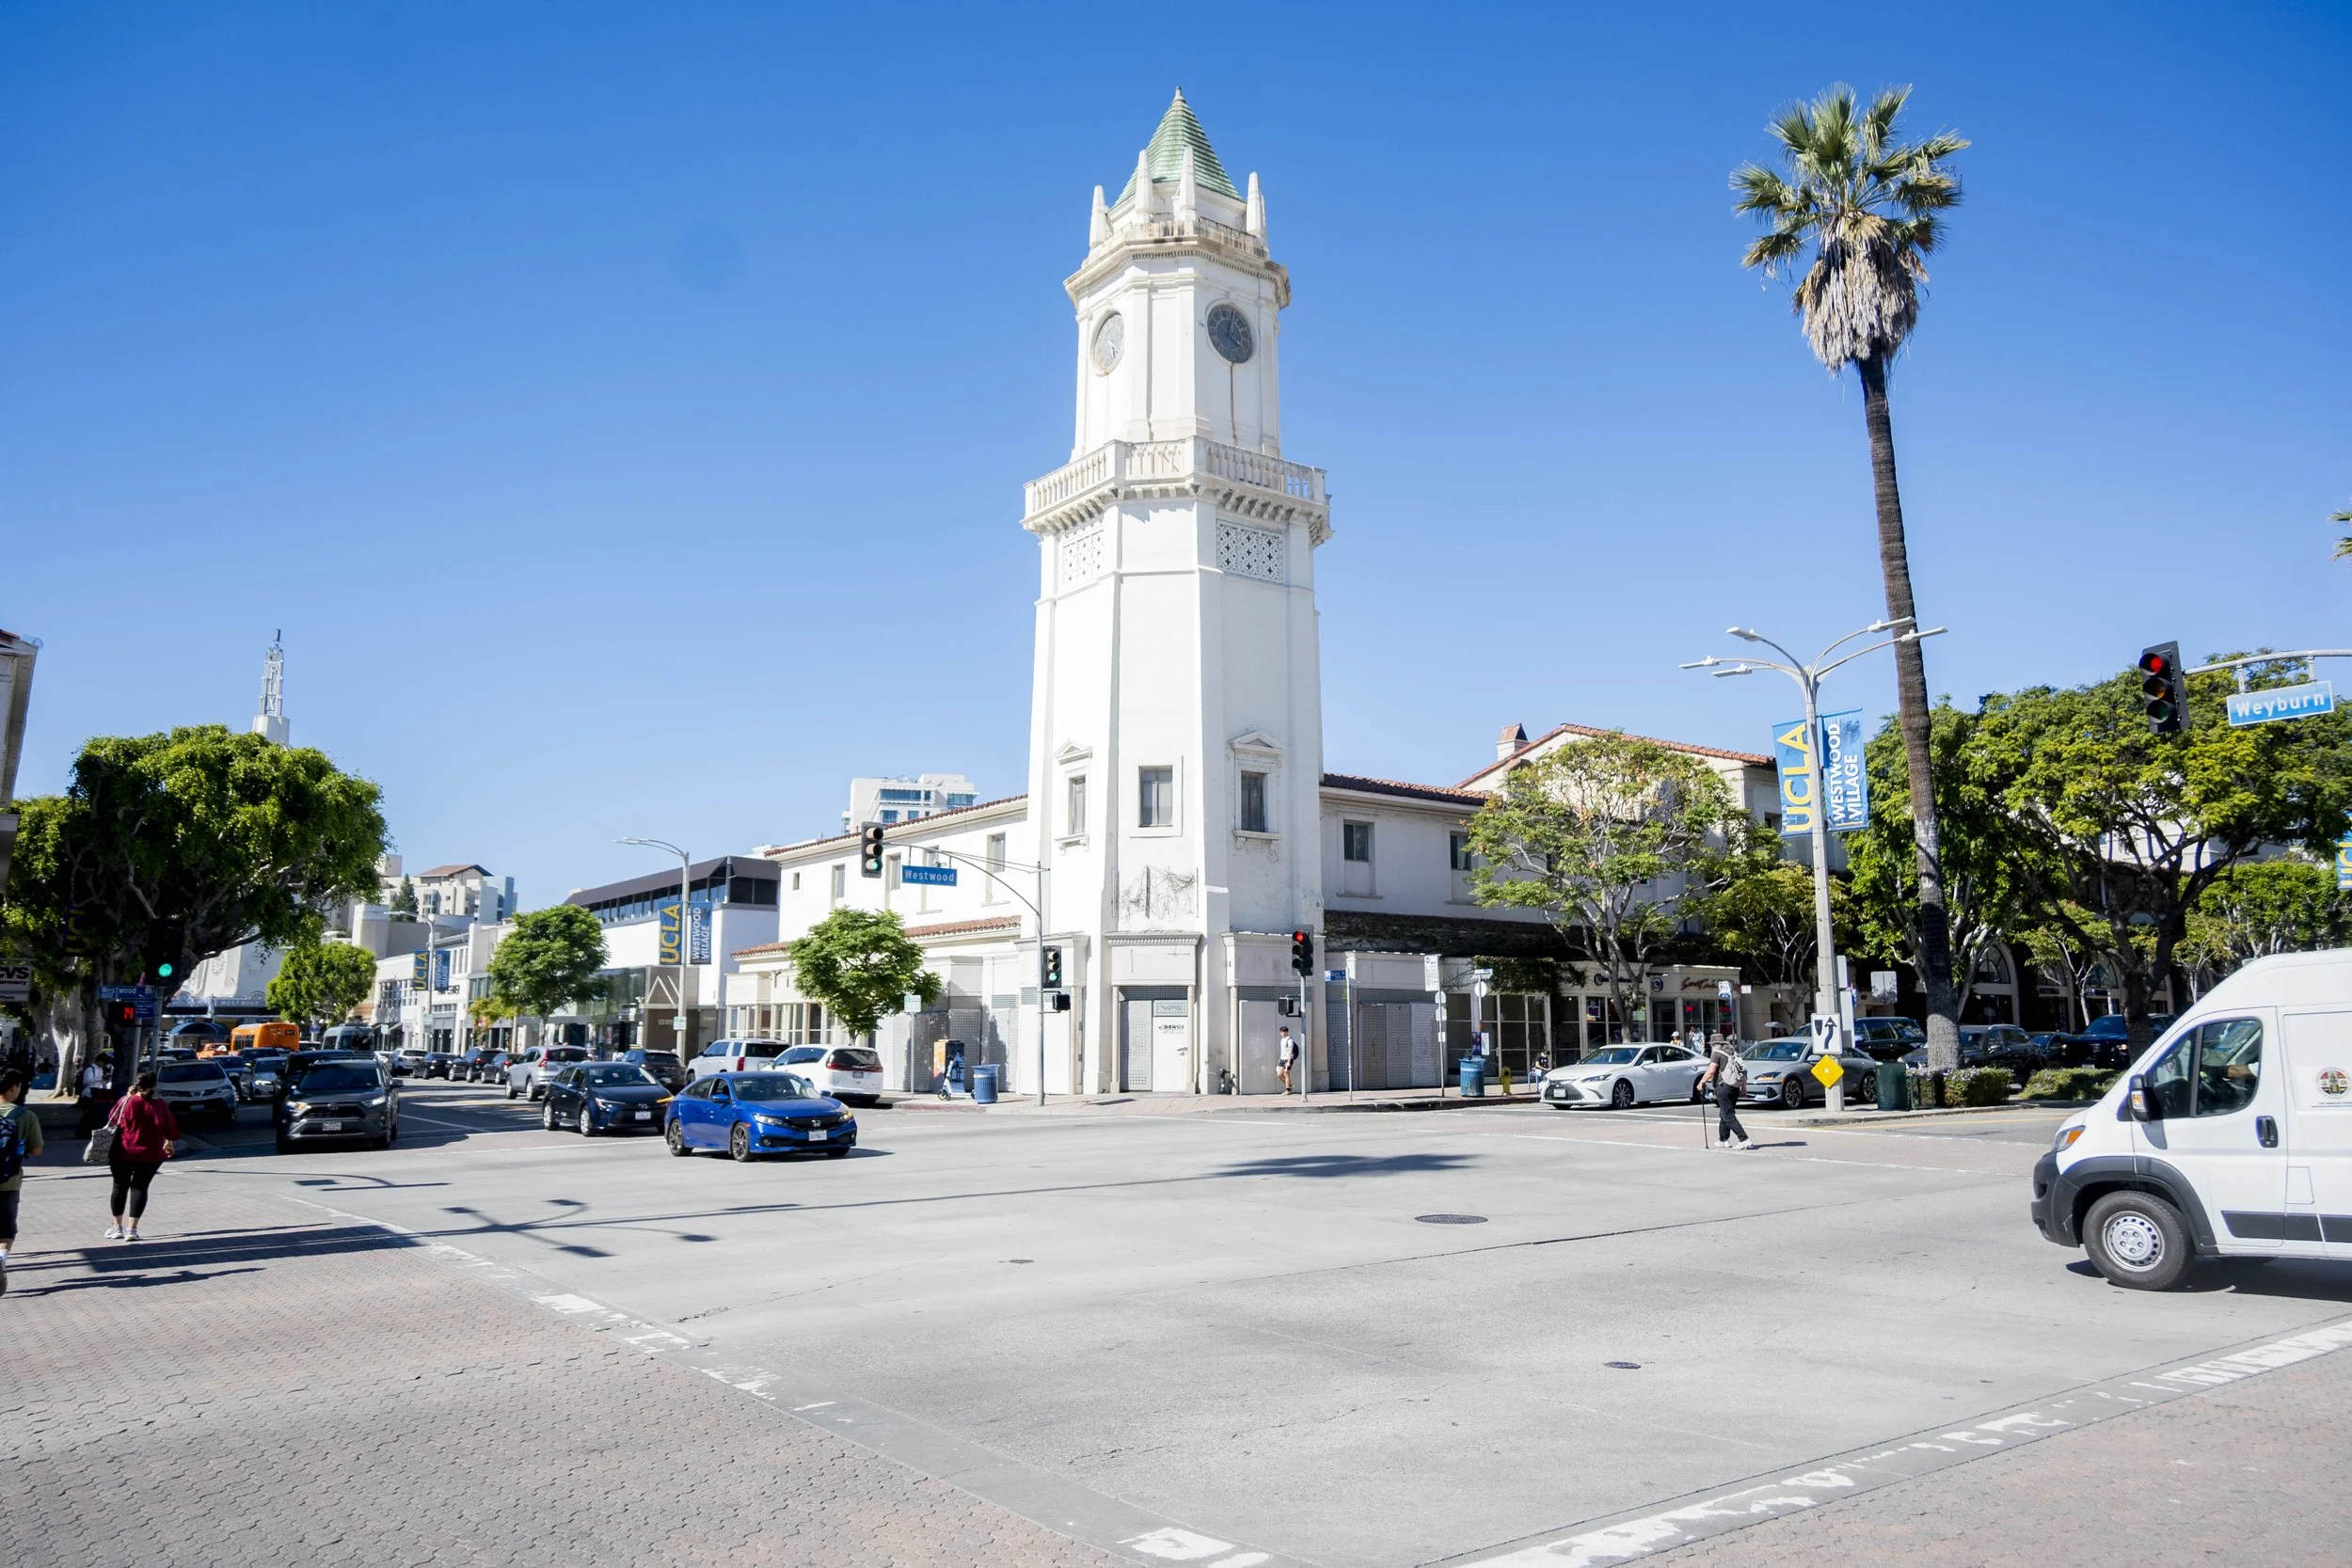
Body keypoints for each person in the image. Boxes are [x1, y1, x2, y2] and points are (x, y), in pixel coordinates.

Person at [103, 1071, 177, 1242]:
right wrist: (168, 1142)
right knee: (140, 1188)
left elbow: (113, 1119)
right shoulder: (159, 1105)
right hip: (150, 1154)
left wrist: (127, 1096)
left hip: (122, 1151)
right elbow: (170, 1128)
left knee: (119, 1187)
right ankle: (132, 1229)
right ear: (154, 1087)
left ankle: (116, 1227)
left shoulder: (126, 1101)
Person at [1, 1069, 45, 1296]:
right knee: (6, 1229)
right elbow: (37, 1150)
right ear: (13, 1088)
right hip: (9, 1180)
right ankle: (1, 1259)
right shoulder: (25, 1116)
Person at [1697, 1031, 1753, 1151]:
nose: (1711, 1046)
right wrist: (1744, 1088)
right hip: (1734, 1087)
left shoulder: (1716, 1053)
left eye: (1711, 1044)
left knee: (1728, 1115)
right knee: (1724, 1113)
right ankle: (1723, 1140)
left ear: (1714, 1044)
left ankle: (1744, 1139)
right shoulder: (1733, 1052)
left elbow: (1711, 1070)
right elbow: (1742, 1070)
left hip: (1723, 1087)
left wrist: (1701, 1082)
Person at [76, 1053, 115, 1138]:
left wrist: (104, 1081)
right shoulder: (90, 1069)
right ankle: (82, 1133)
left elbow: (100, 1083)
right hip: (89, 1093)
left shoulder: (100, 1070)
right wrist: (101, 1079)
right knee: (88, 1114)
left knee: (94, 1114)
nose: (103, 1065)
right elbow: (88, 1081)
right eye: (103, 1063)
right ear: (99, 1061)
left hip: (97, 1093)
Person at [1276, 1026, 1298, 1092]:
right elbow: (1282, 1050)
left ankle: (1288, 1090)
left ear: (1285, 1032)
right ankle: (1290, 1085)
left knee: (1286, 1073)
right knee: (1279, 1075)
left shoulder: (1289, 1040)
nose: (1281, 1034)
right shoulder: (1282, 1040)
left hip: (1288, 1059)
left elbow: (1290, 1050)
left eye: (1282, 1032)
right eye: (1280, 1032)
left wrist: (1288, 1061)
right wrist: (1280, 1058)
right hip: (1282, 1059)